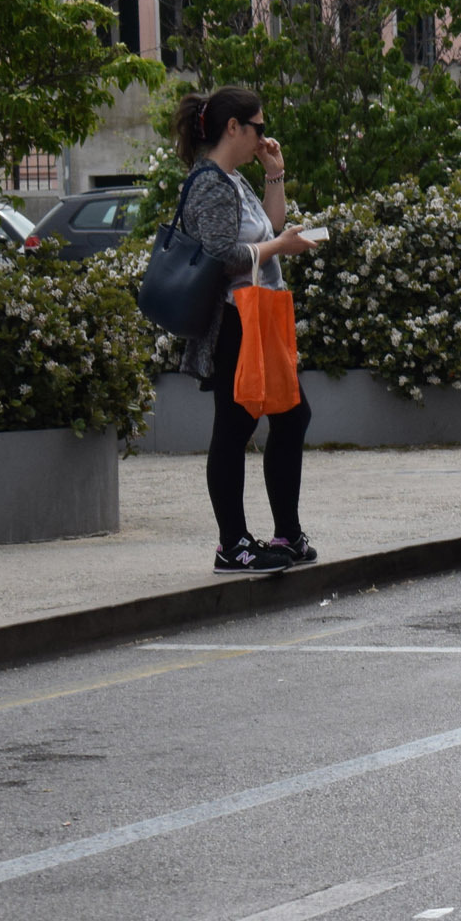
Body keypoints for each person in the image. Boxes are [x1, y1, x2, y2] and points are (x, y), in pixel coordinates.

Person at [170, 86, 320, 575]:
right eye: (257, 127)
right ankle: (231, 544)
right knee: (235, 428)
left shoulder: (234, 179)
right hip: (233, 319)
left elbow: (270, 227)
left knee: (291, 415)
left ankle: (286, 533)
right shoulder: (211, 182)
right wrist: (280, 248)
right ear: (232, 127)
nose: (262, 135)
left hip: (260, 313)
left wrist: (274, 174)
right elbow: (221, 255)